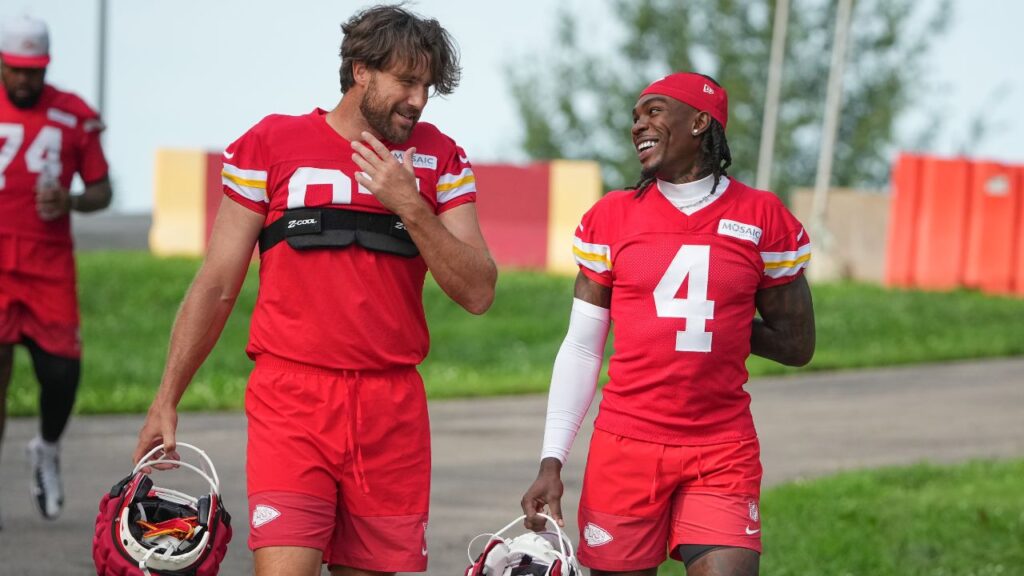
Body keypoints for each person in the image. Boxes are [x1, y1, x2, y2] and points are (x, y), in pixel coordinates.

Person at [133, 5, 496, 576]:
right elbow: (218, 283)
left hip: (392, 410)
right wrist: (166, 398)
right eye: (407, 81)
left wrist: (409, 204)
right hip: (292, 401)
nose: (419, 100)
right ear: (361, 72)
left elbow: (479, 291)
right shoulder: (271, 143)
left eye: (427, 87)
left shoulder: (441, 159)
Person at [521, 72, 815, 576]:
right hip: (626, 446)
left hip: (721, 446)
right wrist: (552, 461)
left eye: (654, 111)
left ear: (700, 121)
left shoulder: (762, 216)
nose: (639, 125)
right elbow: (583, 348)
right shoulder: (612, 216)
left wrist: (718, 320)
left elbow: (795, 344)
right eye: (636, 116)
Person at [0, 15, 112, 527]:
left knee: (62, 372)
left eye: (34, 71)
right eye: (16, 70)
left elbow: (101, 189)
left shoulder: (71, 115)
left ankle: (45, 448)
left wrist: (68, 199)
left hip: (47, 263)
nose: (25, 81)